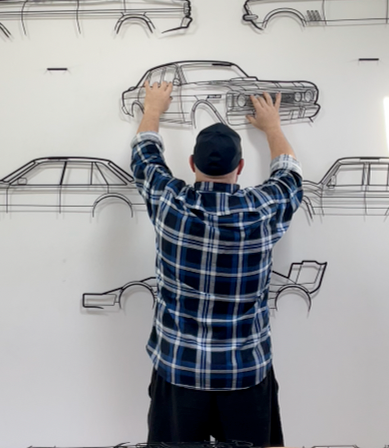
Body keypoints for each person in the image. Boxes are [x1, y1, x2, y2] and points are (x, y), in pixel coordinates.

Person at [130, 80, 303, 447]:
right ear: (240, 166)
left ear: (192, 163)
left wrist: (153, 109)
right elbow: (289, 174)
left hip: (179, 371)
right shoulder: (263, 210)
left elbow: (145, 155)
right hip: (244, 374)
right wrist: (272, 127)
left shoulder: (169, 203)